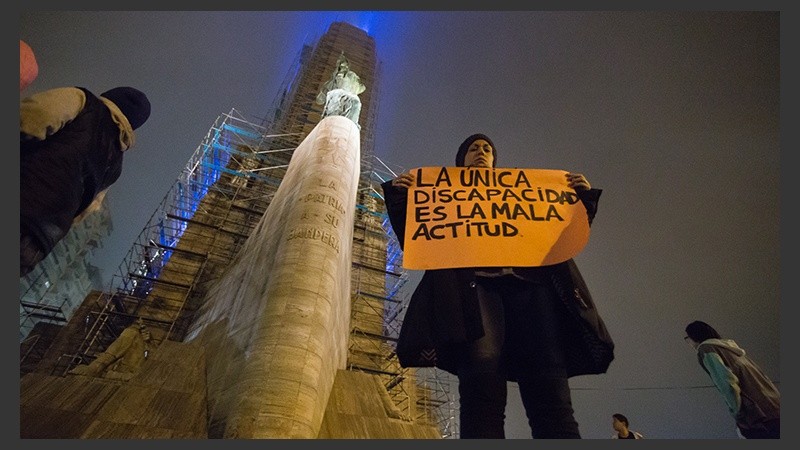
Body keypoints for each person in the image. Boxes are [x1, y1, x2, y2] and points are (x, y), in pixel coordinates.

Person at [381, 133, 614, 439]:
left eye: (487, 148)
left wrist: (581, 200)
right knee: (482, 385)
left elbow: (562, 234)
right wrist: (401, 197)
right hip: (476, 294)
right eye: (474, 148)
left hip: (533, 293)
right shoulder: (442, 193)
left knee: (551, 391)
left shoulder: (528, 193)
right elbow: (419, 236)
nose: (481, 151)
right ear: (461, 160)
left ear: (494, 159)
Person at [20, 86, 151, 277]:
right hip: (34, 245)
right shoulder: (114, 167)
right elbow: (82, 213)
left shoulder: (84, 102)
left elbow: (32, 117)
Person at [684, 320, 780, 439]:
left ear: (694, 336)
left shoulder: (706, 349)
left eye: (687, 338)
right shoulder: (731, 349)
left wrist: (737, 413)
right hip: (774, 405)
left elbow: (726, 382)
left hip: (758, 415)